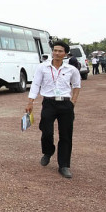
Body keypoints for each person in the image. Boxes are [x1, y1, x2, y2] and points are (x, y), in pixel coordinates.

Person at [25, 41, 81, 179]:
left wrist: (73, 102)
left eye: (60, 51)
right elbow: (36, 84)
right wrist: (30, 101)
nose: (56, 53)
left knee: (66, 135)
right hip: (49, 103)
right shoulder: (42, 67)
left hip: (65, 104)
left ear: (65, 54)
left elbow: (76, 85)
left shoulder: (71, 69)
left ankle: (64, 165)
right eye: (55, 50)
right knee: (46, 131)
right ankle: (48, 151)